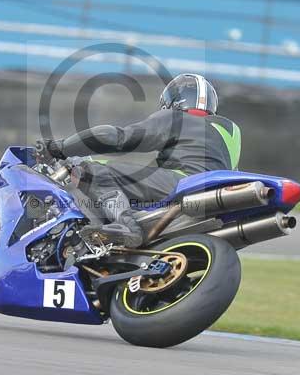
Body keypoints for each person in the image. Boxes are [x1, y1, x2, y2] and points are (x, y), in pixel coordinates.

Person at [41, 73, 242, 247]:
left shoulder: (174, 118)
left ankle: (126, 226)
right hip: (218, 194)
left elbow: (117, 138)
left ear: (173, 100)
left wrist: (59, 147)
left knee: (93, 171)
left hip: (184, 184)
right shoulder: (231, 131)